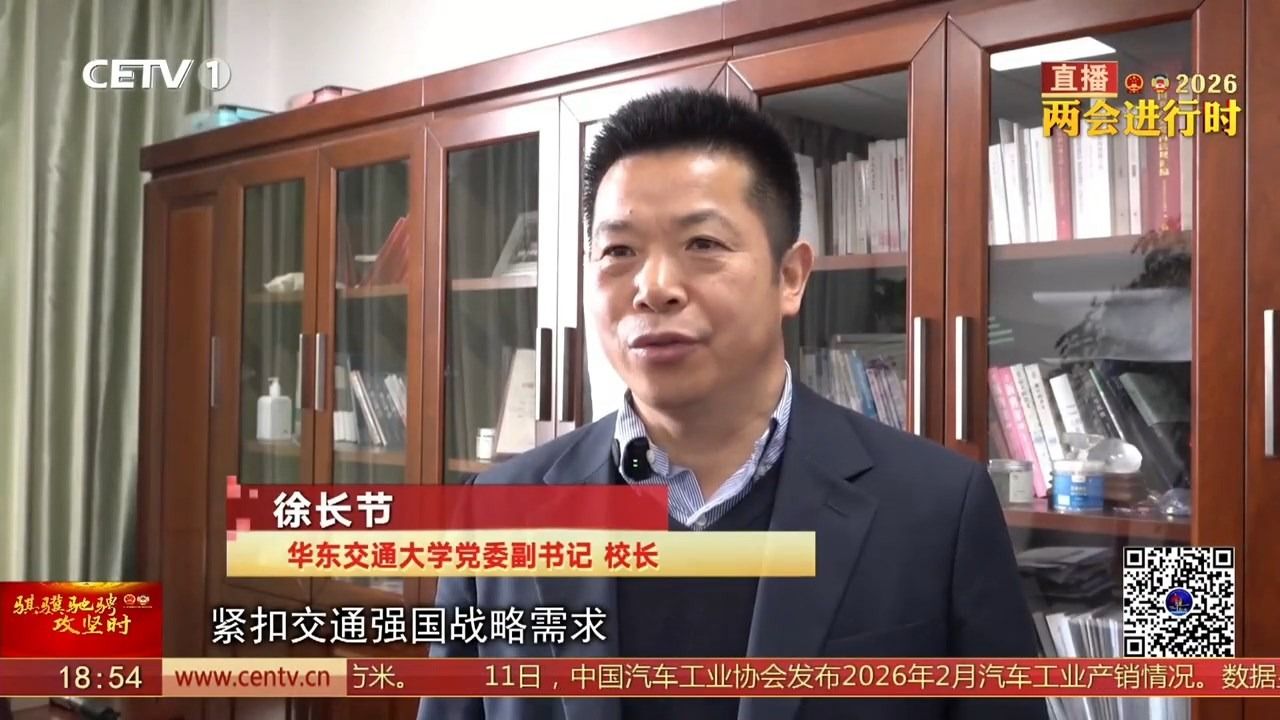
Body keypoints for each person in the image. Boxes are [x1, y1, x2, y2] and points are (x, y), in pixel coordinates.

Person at [419, 88, 1047, 720]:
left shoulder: (939, 509)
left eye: (702, 244)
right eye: (618, 251)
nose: (653, 288)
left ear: (790, 277)